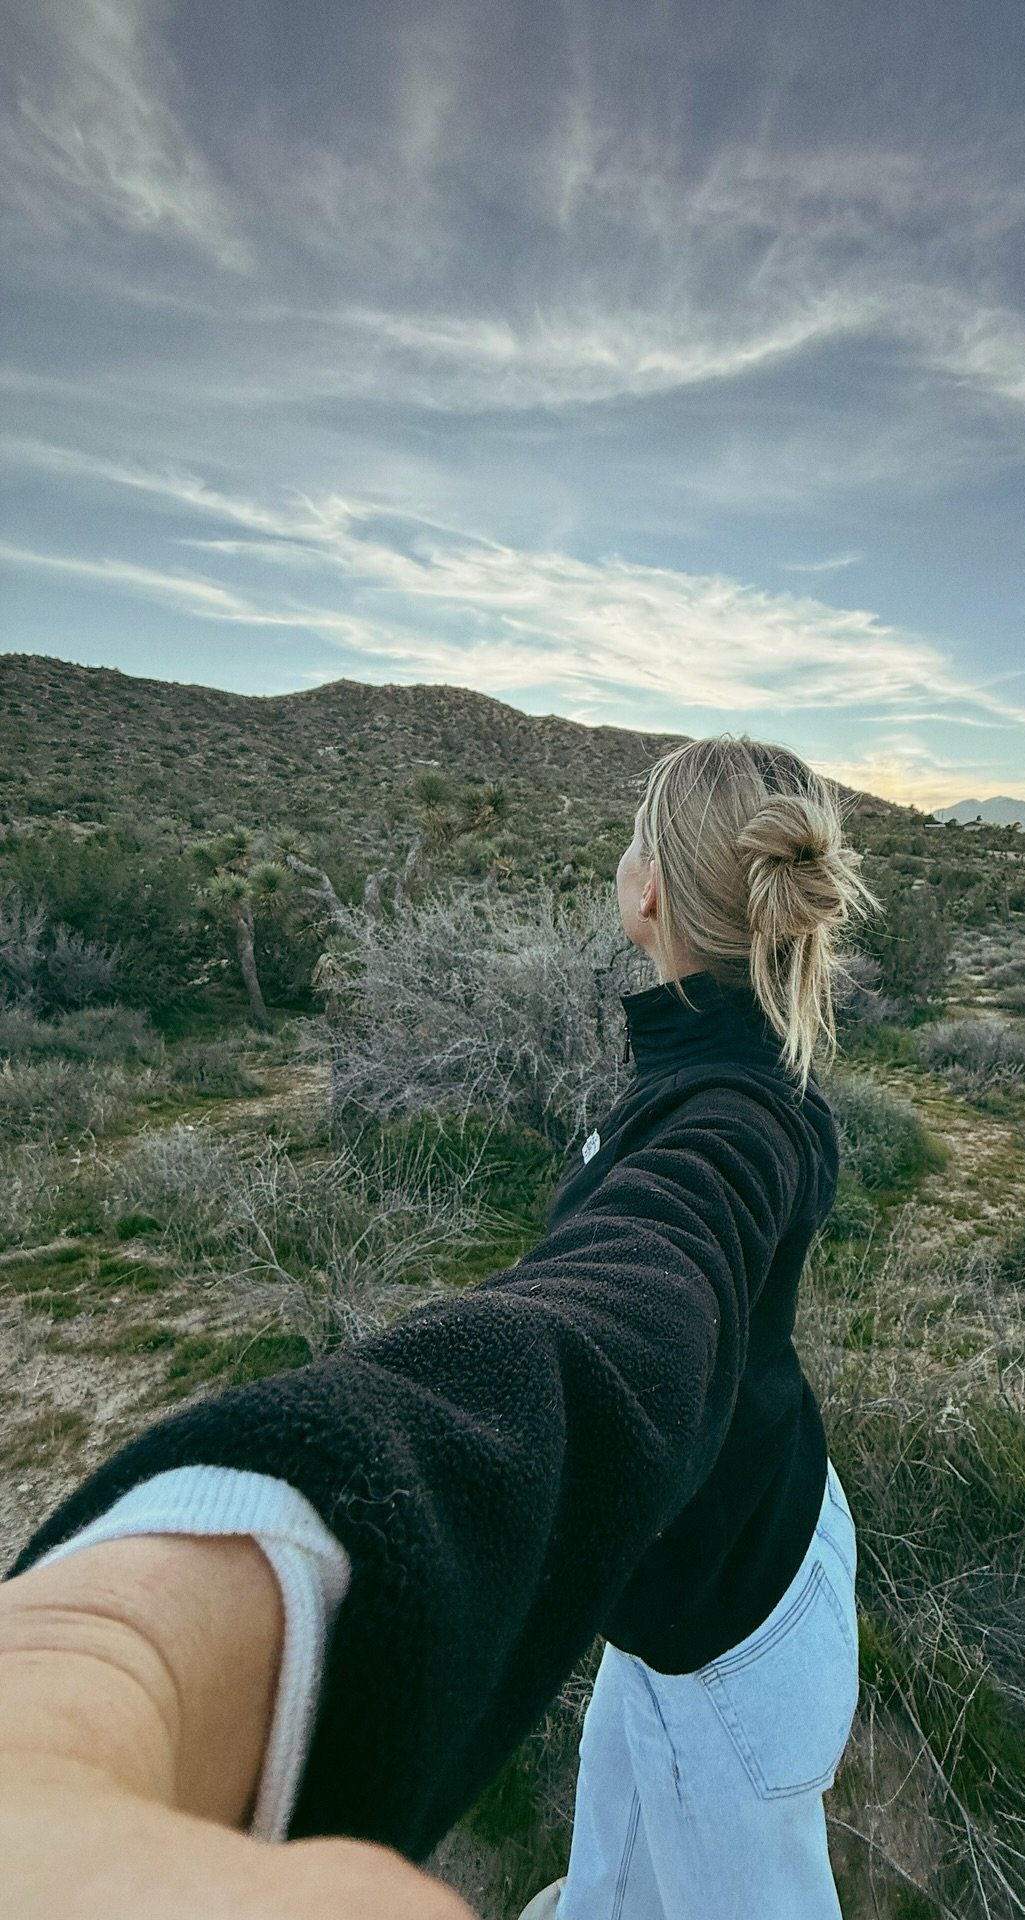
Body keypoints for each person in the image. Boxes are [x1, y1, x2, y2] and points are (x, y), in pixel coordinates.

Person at [0, 733, 881, 1919]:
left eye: (632, 837)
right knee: (613, 1878)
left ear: (650, 890)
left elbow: (637, 1299)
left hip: (732, 1638)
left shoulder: (729, 1117)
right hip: (722, 1564)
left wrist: (191, 1601)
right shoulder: (754, 1062)